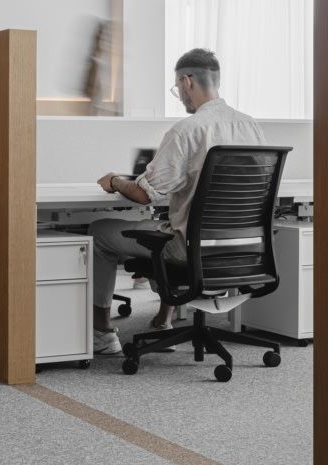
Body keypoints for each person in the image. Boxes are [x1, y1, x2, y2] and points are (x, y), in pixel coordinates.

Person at [89, 48, 265, 355]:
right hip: (244, 246)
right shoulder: (252, 127)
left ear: (186, 82)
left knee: (99, 230)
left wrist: (115, 181)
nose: (180, 94)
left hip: (190, 249)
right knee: (176, 220)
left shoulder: (186, 130)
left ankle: (103, 334)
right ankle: (163, 321)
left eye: (177, 88)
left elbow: (146, 194)